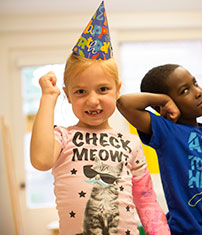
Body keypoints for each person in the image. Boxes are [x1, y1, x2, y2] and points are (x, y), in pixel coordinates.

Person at [30, 1, 169, 234]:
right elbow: (41, 160)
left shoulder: (130, 142)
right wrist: (48, 97)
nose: (92, 100)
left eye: (103, 89)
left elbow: (145, 199)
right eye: (81, 91)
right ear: (68, 95)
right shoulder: (62, 137)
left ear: (117, 90)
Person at [116, 64, 202, 234]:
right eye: (184, 91)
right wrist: (163, 101)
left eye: (195, 83)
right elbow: (124, 103)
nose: (198, 92)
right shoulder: (167, 132)